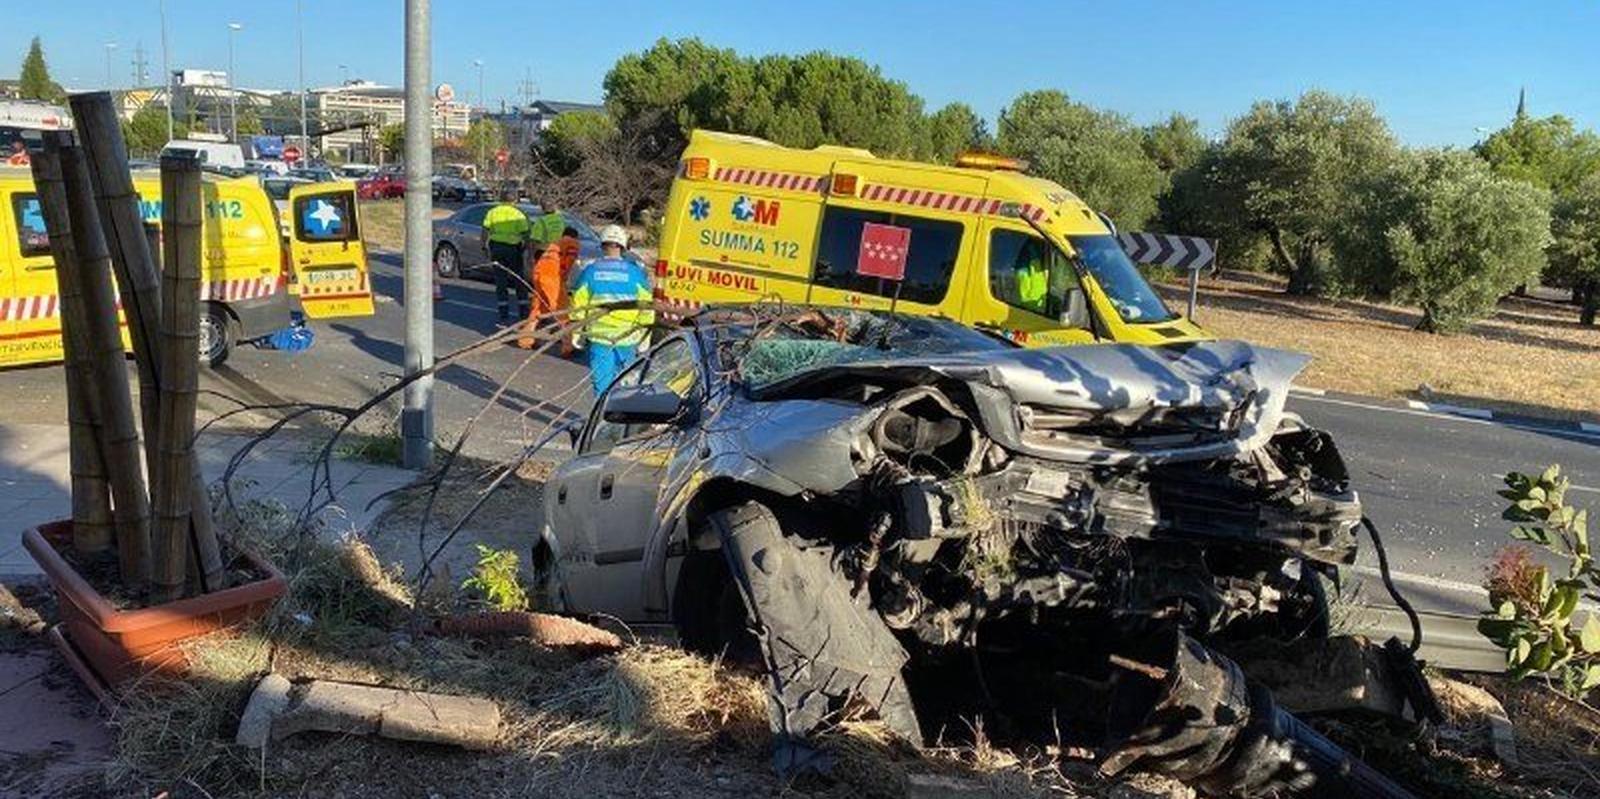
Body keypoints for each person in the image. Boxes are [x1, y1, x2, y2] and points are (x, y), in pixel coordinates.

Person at [570, 225, 653, 394]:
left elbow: (578, 305)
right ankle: (623, 417)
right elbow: (646, 306)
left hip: (600, 337)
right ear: (623, 246)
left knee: (602, 384)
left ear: (602, 246)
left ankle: (602, 418)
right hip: (628, 336)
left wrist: (577, 331)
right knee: (625, 383)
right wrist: (645, 334)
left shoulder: (590, 271)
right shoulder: (635, 273)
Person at [479, 191, 531, 323]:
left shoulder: (493, 212)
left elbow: (485, 230)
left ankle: (503, 314)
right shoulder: (518, 214)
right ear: (514, 201)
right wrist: (526, 249)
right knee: (519, 280)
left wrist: (484, 246)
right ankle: (523, 312)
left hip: (497, 248)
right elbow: (525, 234)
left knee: (501, 281)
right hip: (513, 249)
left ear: (501, 199)